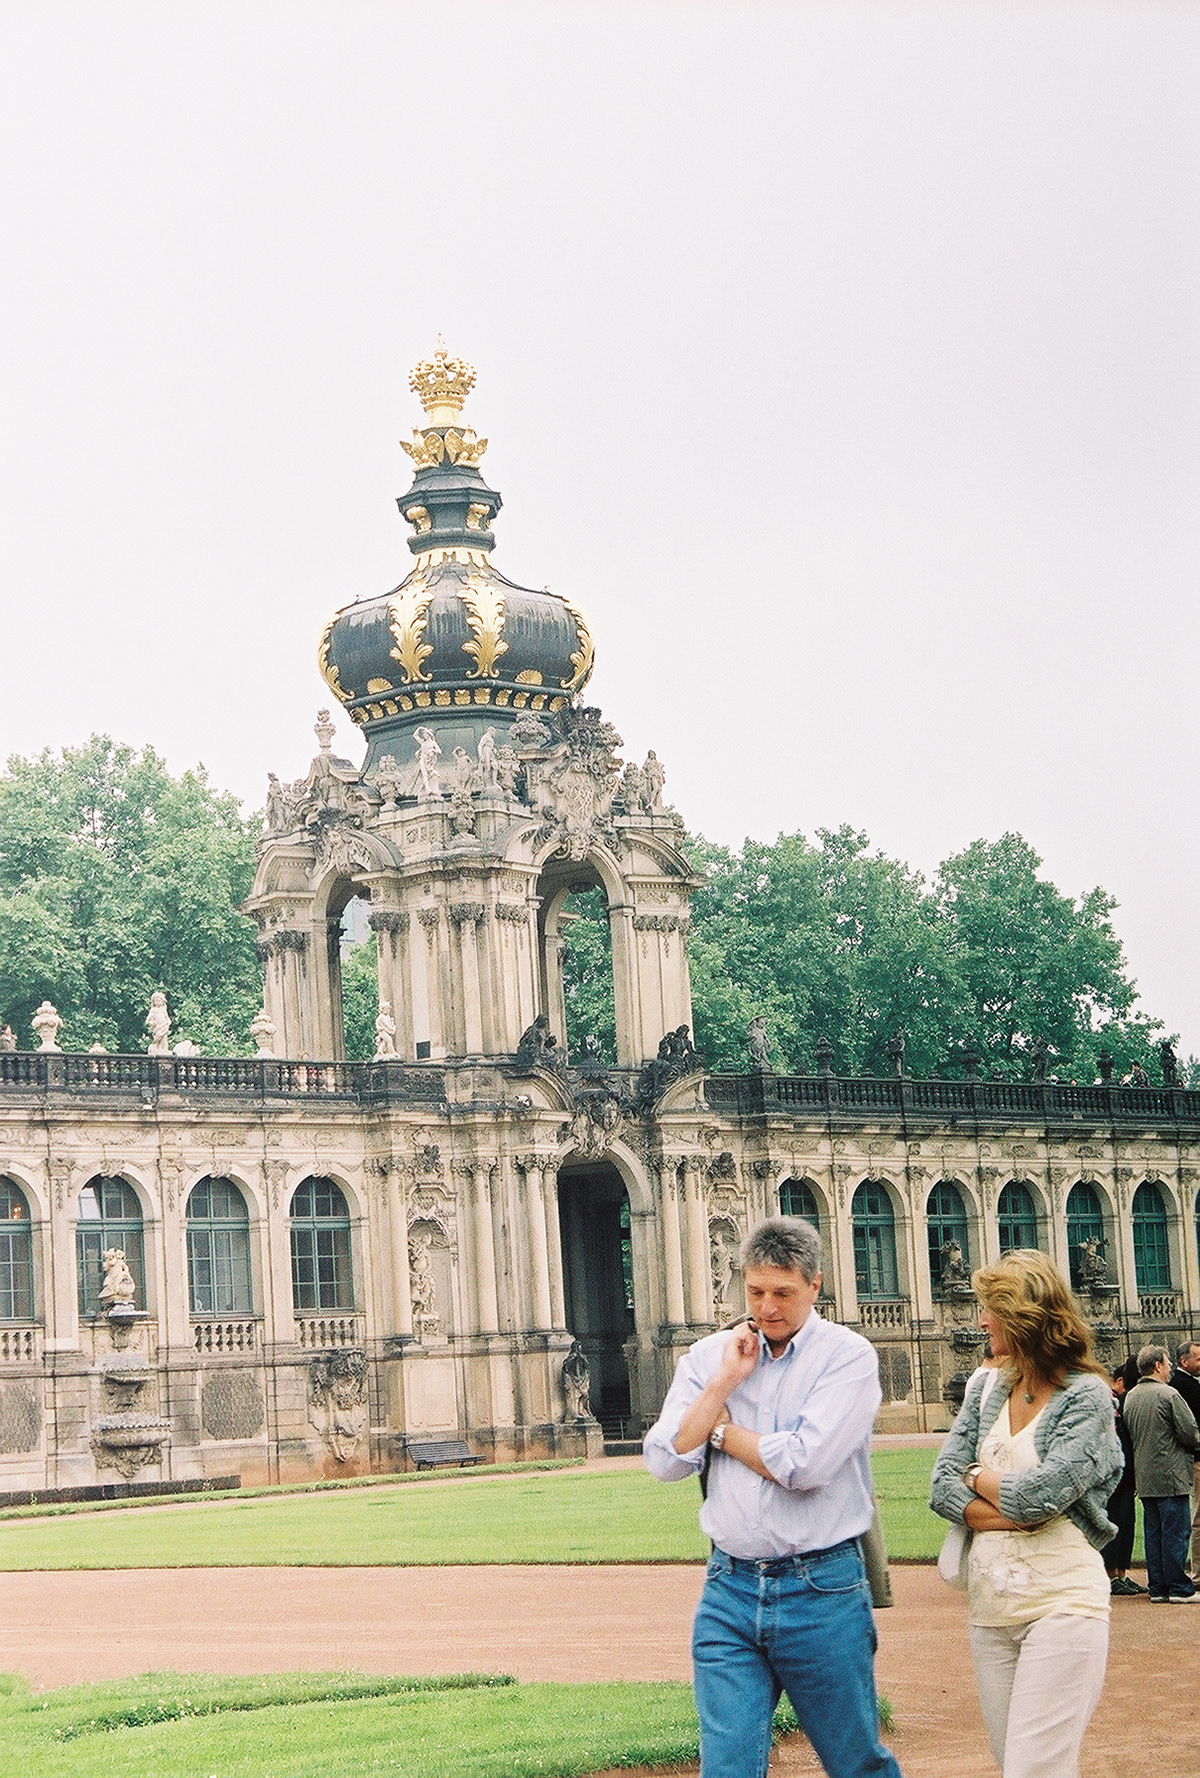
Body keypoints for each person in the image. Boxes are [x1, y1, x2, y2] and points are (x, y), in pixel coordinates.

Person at [643, 1217, 900, 1778]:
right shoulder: (711, 1357)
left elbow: (806, 1465)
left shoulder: (847, 1356)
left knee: (855, 1761)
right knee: (727, 1766)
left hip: (821, 1589)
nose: (766, 1307)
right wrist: (723, 1385)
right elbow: (665, 1460)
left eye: (782, 1293)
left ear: (815, 1285)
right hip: (729, 1589)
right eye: (755, 1291)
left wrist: (720, 1432)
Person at [930, 1250, 1122, 1778]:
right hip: (990, 1612)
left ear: (1024, 1317)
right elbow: (941, 1487)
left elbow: (1041, 1495)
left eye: (990, 1310)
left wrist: (975, 1477)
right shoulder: (986, 1388)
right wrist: (1014, 1509)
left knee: (1034, 1768)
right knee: (1015, 1762)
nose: (980, 1321)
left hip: (1064, 1604)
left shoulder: (1086, 1396)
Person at [1122, 1344, 1200, 1602]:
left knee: (1153, 1534)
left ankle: (1157, 1587)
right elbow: (1190, 1433)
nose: (1170, 1369)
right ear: (1157, 1366)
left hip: (1145, 1475)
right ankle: (1178, 1587)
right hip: (1171, 1472)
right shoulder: (1169, 1394)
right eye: (1167, 1364)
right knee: (1176, 1532)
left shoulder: (1131, 1396)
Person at [1101, 1366, 1142, 1595]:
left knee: (1126, 1526)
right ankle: (1110, 1574)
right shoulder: (1108, 1402)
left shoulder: (1120, 1403)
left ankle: (1121, 1573)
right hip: (1113, 1476)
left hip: (1125, 1476)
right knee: (1114, 1523)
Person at [1167, 1339, 1200, 1578]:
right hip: (1196, 1459)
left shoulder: (1184, 1384)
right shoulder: (1183, 1386)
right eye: (1198, 1359)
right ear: (1184, 1361)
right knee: (1198, 1518)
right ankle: (1198, 1573)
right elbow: (1189, 1430)